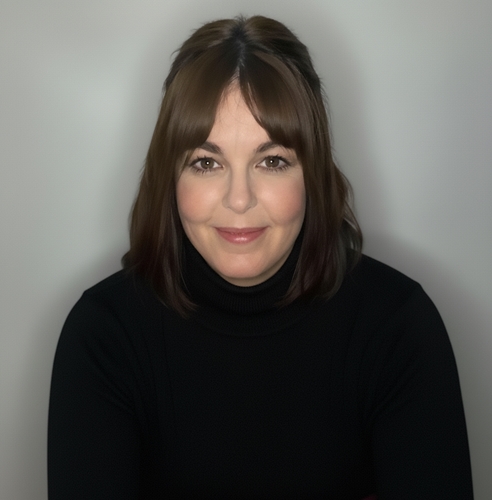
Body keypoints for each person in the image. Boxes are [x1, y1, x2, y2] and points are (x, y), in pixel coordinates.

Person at [48, 15, 473, 499]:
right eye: (206, 163)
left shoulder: (398, 327)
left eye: (272, 161)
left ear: (311, 173)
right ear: (171, 178)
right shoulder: (104, 336)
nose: (239, 199)